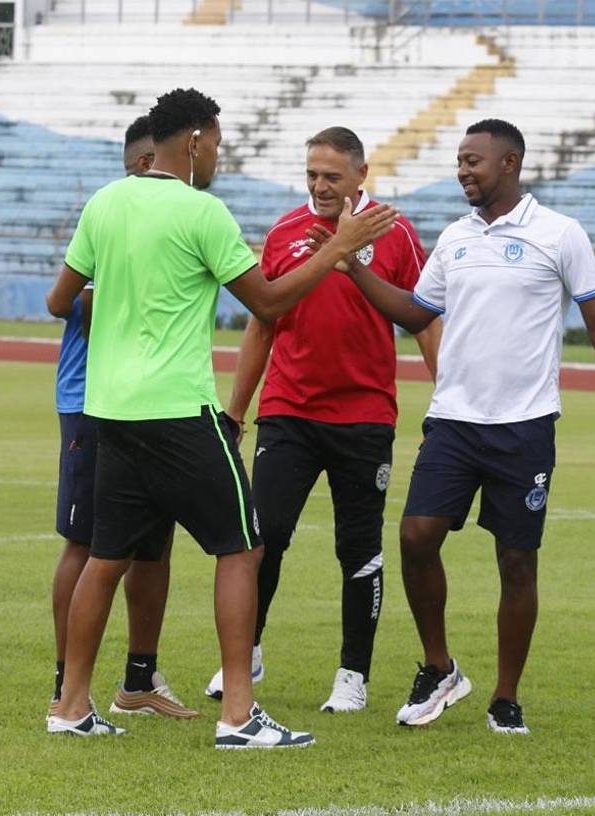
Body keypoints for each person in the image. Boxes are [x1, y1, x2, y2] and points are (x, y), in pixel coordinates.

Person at [44, 88, 398, 747]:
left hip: (111, 410)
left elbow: (60, 298)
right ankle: (238, 714)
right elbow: (267, 302)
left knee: (105, 556)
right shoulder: (202, 212)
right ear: (197, 141)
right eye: (219, 143)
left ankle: (69, 705)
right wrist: (338, 247)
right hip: (179, 410)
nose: (218, 156)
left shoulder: (105, 202)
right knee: (242, 547)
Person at [324, 119, 595, 734]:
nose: (463, 170)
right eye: (459, 161)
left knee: (517, 562)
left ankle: (505, 697)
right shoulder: (454, 237)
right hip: (453, 420)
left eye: (474, 160)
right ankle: (440, 667)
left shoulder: (559, 234)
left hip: (524, 427)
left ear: (511, 163)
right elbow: (416, 311)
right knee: (417, 537)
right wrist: (354, 269)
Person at [202, 127, 441, 713]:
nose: (320, 185)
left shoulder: (395, 231)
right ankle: (246, 654)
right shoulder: (284, 234)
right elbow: (262, 324)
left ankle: (352, 675)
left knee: (358, 547)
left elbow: (426, 317)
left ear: (362, 176)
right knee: (264, 537)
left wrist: (449, 396)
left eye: (333, 175)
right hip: (288, 412)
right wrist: (236, 412)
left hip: (364, 416)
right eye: (312, 174)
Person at [48, 115, 197, 722]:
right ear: (143, 165)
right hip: (90, 400)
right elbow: (61, 301)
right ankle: (67, 685)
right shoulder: (107, 220)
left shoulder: (159, 226)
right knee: (86, 544)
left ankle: (139, 679)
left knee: (154, 545)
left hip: (149, 403)